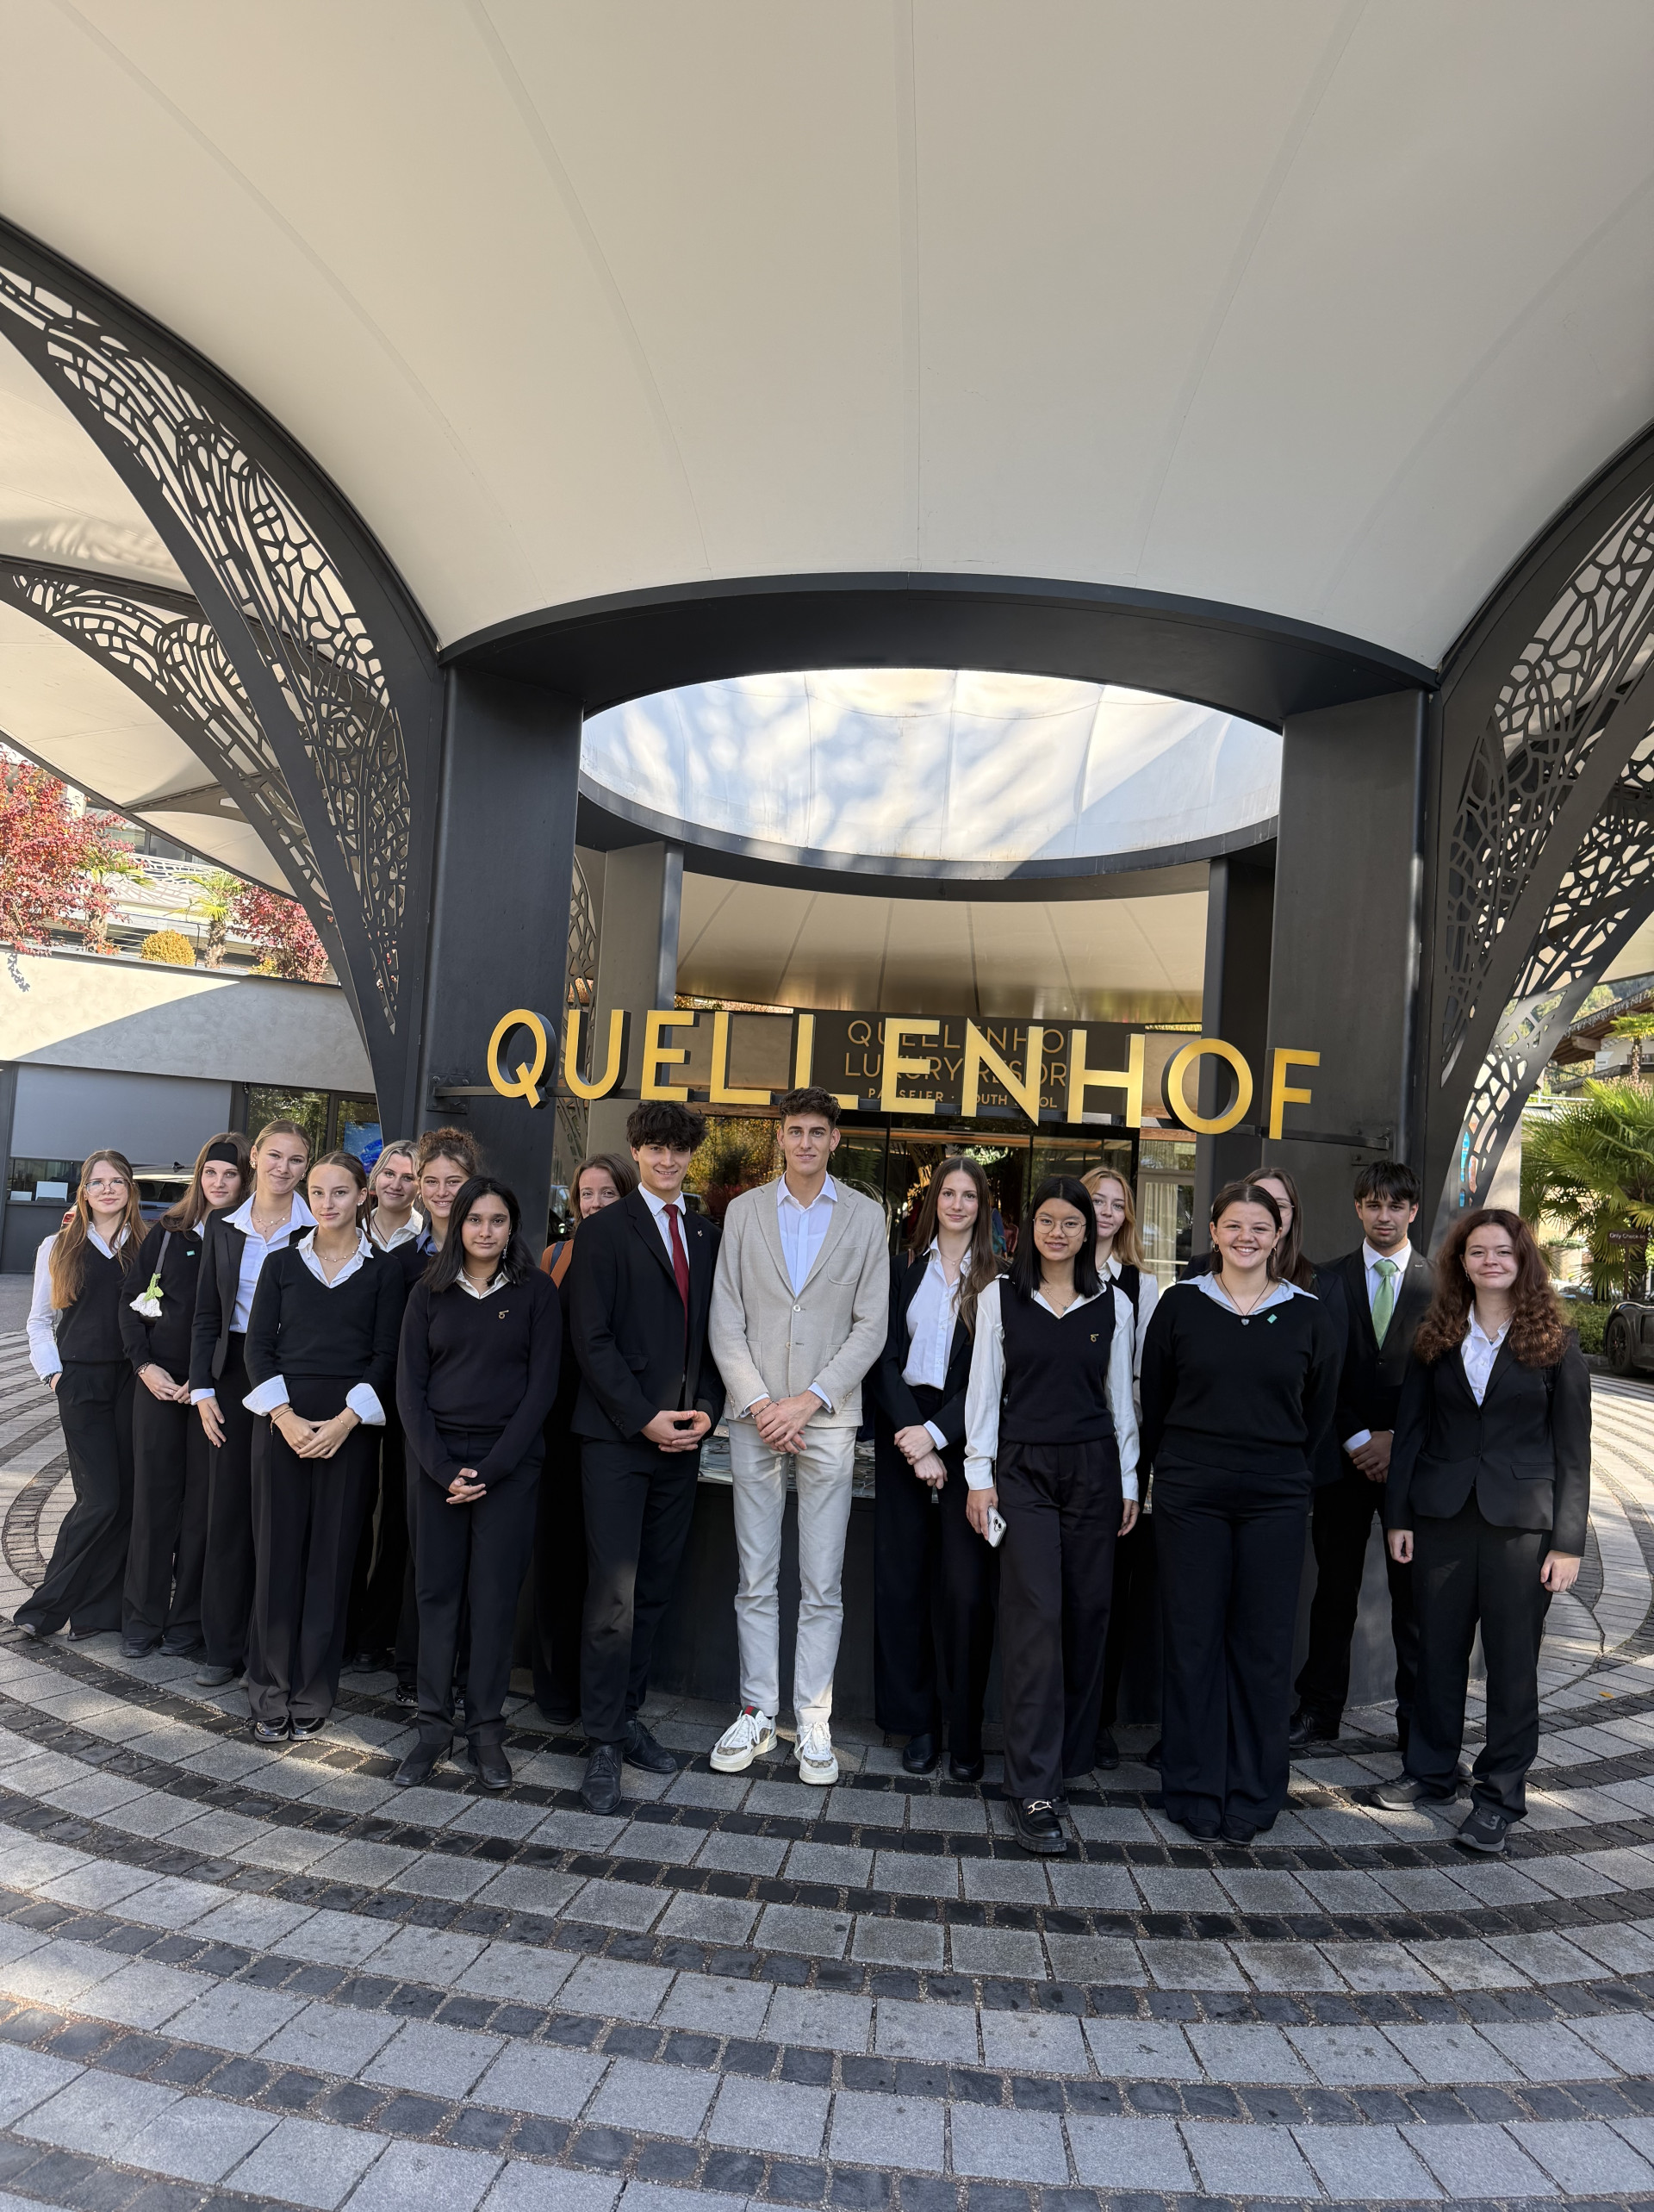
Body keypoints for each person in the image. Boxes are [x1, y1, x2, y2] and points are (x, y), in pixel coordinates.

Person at [1378, 1208, 1590, 1855]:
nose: (1490, 1261)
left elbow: (1573, 1452)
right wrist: (1398, 1516)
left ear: (1523, 1260)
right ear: (1461, 1262)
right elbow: (1410, 1433)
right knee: (1436, 1654)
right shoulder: (1436, 1334)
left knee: (1511, 1663)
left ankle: (1499, 1796)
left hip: (1521, 1529)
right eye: (1477, 1251)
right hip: (1441, 1518)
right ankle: (1431, 1772)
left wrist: (1568, 1543)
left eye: (1502, 1250)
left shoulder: (1556, 1341)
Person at [1139, 1180, 1340, 1842]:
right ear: (1213, 1231)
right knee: (1192, 1640)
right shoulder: (1180, 1305)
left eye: (1260, 1226)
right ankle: (1194, 1784)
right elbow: (1157, 1401)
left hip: (1274, 1497)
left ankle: (1254, 1789)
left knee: (1263, 1645)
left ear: (1278, 1234)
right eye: (1234, 1225)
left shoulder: (1309, 1315)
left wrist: (1279, 1469)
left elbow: (1318, 1413)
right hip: (1190, 1493)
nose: (1246, 1237)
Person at [708, 1087, 888, 1785]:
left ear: (835, 1139)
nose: (806, 1141)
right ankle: (757, 1710)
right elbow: (726, 1319)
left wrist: (807, 1402)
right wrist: (762, 1403)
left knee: (822, 1580)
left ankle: (814, 1719)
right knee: (754, 1576)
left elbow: (870, 1326)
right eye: (795, 1130)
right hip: (754, 1418)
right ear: (779, 1137)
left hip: (827, 1419)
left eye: (818, 1131)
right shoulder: (745, 1211)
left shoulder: (865, 1216)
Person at [962, 1175, 1140, 1854]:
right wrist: (979, 1479)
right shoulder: (999, 1297)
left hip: (1095, 1470)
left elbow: (1120, 1400)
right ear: (1028, 1227)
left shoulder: (1114, 1303)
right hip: (1024, 1471)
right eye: (1046, 1219)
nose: (1058, 1232)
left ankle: (1066, 1756)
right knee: (1035, 1617)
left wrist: (1129, 1481)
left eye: (1071, 1221)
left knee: (1088, 1613)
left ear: (1090, 1230)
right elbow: (984, 1395)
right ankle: (1033, 1786)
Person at [570, 1104, 723, 1814]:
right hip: (617, 1439)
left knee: (656, 1588)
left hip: (683, 1440)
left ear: (691, 1156)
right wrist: (642, 1417)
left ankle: (626, 1716)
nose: (667, 1160)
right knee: (614, 1595)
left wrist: (709, 1407)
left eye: (678, 1150)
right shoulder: (603, 1230)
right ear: (636, 1150)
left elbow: (718, 1332)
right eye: (655, 1148)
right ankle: (602, 1739)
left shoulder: (706, 1232)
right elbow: (591, 1339)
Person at [395, 1177, 561, 1787]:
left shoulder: (537, 1292)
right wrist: (444, 1468)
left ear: (511, 1227)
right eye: (474, 1219)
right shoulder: (428, 1292)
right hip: (436, 1464)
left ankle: (486, 1731)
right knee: (437, 1596)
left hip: (508, 1468)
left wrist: (490, 1470)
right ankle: (432, 1728)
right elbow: (409, 1389)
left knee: (493, 1601)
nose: (485, 1231)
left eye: (497, 1220)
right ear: (457, 1225)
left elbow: (542, 1390)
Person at [242, 1151, 405, 1742]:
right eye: (317, 1191)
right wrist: (284, 1417)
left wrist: (344, 1422)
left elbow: (386, 1354)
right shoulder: (282, 1263)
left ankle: (313, 1689)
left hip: (350, 1430)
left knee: (332, 1563)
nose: (327, 1202)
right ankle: (268, 1689)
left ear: (363, 1195)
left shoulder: (385, 1271)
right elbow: (258, 1348)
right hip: (281, 1426)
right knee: (276, 1558)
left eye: (340, 1191)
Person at [1290, 1161, 1431, 1753]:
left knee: (1414, 1598)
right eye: (1373, 1204)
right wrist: (1356, 1438)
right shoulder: (1325, 1280)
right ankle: (1319, 1710)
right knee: (1334, 1591)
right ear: (1357, 1208)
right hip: (1342, 1462)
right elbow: (1319, 1374)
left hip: (1412, 1465)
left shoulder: (1441, 1285)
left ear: (1413, 1211)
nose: (1384, 1215)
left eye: (1395, 1205)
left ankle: (1417, 1723)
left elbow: (1442, 1381)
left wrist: (1396, 1438)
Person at [873, 1155, 1002, 1781]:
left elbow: (992, 1379)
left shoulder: (999, 1280)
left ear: (982, 1206)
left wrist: (936, 1436)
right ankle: (917, 1723)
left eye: (968, 1195)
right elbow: (881, 1356)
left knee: (964, 1591)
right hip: (902, 1429)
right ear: (932, 1202)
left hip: (966, 1434)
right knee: (902, 1583)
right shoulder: (902, 1268)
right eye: (947, 1193)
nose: (956, 1204)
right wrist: (914, 1439)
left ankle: (965, 1730)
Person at [190, 1118, 314, 1688]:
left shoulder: (317, 1225)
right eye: (275, 1156)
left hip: (294, 1373)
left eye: (297, 1159)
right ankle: (221, 1647)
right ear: (255, 1157)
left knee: (279, 1516)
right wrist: (203, 1388)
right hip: (233, 1374)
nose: (284, 1168)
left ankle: (268, 1647)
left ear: (306, 1167)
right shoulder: (222, 1224)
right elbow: (206, 1314)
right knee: (228, 1511)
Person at [120, 1134, 251, 1659]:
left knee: (203, 1507)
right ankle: (141, 1618)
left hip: (213, 1391)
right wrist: (144, 1366)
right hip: (157, 1384)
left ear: (246, 1179)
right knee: (153, 1504)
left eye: (230, 1174)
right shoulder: (169, 1232)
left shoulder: (248, 1237)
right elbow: (130, 1304)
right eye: (211, 1173)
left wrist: (204, 1381)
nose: (219, 1182)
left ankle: (186, 1621)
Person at [17, 1152, 146, 1641]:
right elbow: (38, 1321)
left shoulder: (147, 1246)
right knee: (100, 1499)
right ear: (84, 1191)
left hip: (135, 1383)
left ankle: (98, 1613)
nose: (107, 1189)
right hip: (81, 1384)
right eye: (97, 1182)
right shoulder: (58, 1246)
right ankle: (45, 1608)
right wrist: (54, 1376)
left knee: (126, 1499)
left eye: (117, 1181)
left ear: (130, 1189)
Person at [533, 1151, 636, 1726]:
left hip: (614, 1426)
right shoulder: (555, 1256)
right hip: (557, 1426)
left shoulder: (637, 1255)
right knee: (558, 1556)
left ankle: (598, 1692)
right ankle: (554, 1688)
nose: (594, 1203)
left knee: (607, 1569)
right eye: (586, 1194)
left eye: (607, 1193)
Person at [1083, 1164, 1158, 1769]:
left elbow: (1142, 1375)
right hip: (1058, 1443)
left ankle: (1100, 1719)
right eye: (1095, 1200)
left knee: (1109, 1590)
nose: (1106, 1211)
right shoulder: (1046, 1271)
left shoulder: (1141, 1285)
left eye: (1116, 1203)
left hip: (1117, 1448)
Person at [343, 1139, 424, 1669]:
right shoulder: (346, 1227)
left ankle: (378, 1632)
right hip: (347, 1388)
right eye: (389, 1173)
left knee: (396, 1513)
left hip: (402, 1393)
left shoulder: (427, 1241)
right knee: (350, 1508)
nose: (397, 1183)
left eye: (409, 1176)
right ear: (373, 1179)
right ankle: (343, 1624)